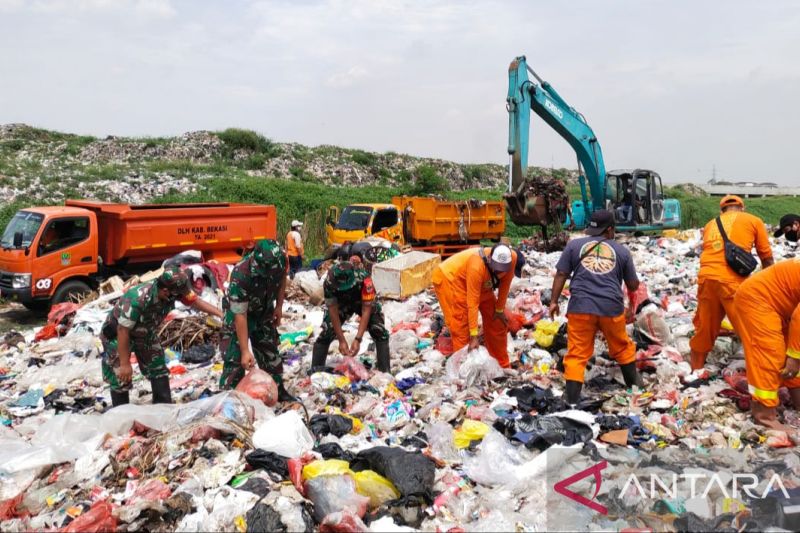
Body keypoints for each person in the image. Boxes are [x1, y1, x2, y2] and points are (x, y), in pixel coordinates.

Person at [549, 210, 643, 405]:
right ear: (610, 230)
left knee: (577, 352)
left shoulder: (574, 246)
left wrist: (553, 302)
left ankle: (572, 399)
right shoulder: (622, 251)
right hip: (611, 307)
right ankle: (635, 388)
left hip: (580, 307)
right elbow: (633, 285)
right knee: (622, 346)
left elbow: (561, 274)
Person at [101, 268, 222, 407]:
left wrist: (219, 313)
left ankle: (163, 409)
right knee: (121, 376)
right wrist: (125, 363)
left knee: (158, 368)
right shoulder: (138, 299)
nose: (180, 297)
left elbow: (194, 301)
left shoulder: (174, 290)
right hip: (118, 336)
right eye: (176, 295)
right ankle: (120, 418)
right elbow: (122, 330)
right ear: (165, 291)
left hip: (144, 333)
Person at [689, 195, 773, 370]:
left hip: (706, 279)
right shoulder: (753, 220)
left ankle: (695, 371)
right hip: (733, 283)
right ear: (742, 207)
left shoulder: (711, 224)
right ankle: (759, 374)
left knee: (705, 328)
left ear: (722, 210)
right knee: (748, 329)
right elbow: (766, 256)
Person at [219, 239, 294, 401]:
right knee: (235, 358)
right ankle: (229, 401)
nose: (268, 271)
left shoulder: (280, 260)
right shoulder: (242, 273)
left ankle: (277, 393)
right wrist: (246, 351)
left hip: (263, 311)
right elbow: (240, 314)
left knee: (270, 353)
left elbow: (281, 281)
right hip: (238, 315)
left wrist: (279, 307)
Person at [734, 258, 800, 435]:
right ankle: (764, 417)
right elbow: (799, 320)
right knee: (771, 354)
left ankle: (798, 400)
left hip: (783, 306)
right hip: (758, 299)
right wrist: (794, 357)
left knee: (791, 354)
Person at [432, 244, 518, 368]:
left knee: (497, 320)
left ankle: (501, 365)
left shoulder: (512, 257)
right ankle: (464, 371)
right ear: (490, 259)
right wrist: (474, 335)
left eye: (503, 269)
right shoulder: (476, 266)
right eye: (497, 269)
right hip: (451, 279)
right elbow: (472, 303)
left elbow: (506, 283)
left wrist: (499, 309)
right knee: (461, 325)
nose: (500, 273)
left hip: (482, 280)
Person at [310, 259, 391, 372]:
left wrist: (358, 339)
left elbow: (366, 309)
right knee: (327, 330)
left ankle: (385, 371)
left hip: (360, 300)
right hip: (341, 303)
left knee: (378, 328)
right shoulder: (329, 282)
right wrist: (341, 340)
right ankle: (316, 371)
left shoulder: (364, 279)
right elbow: (333, 311)